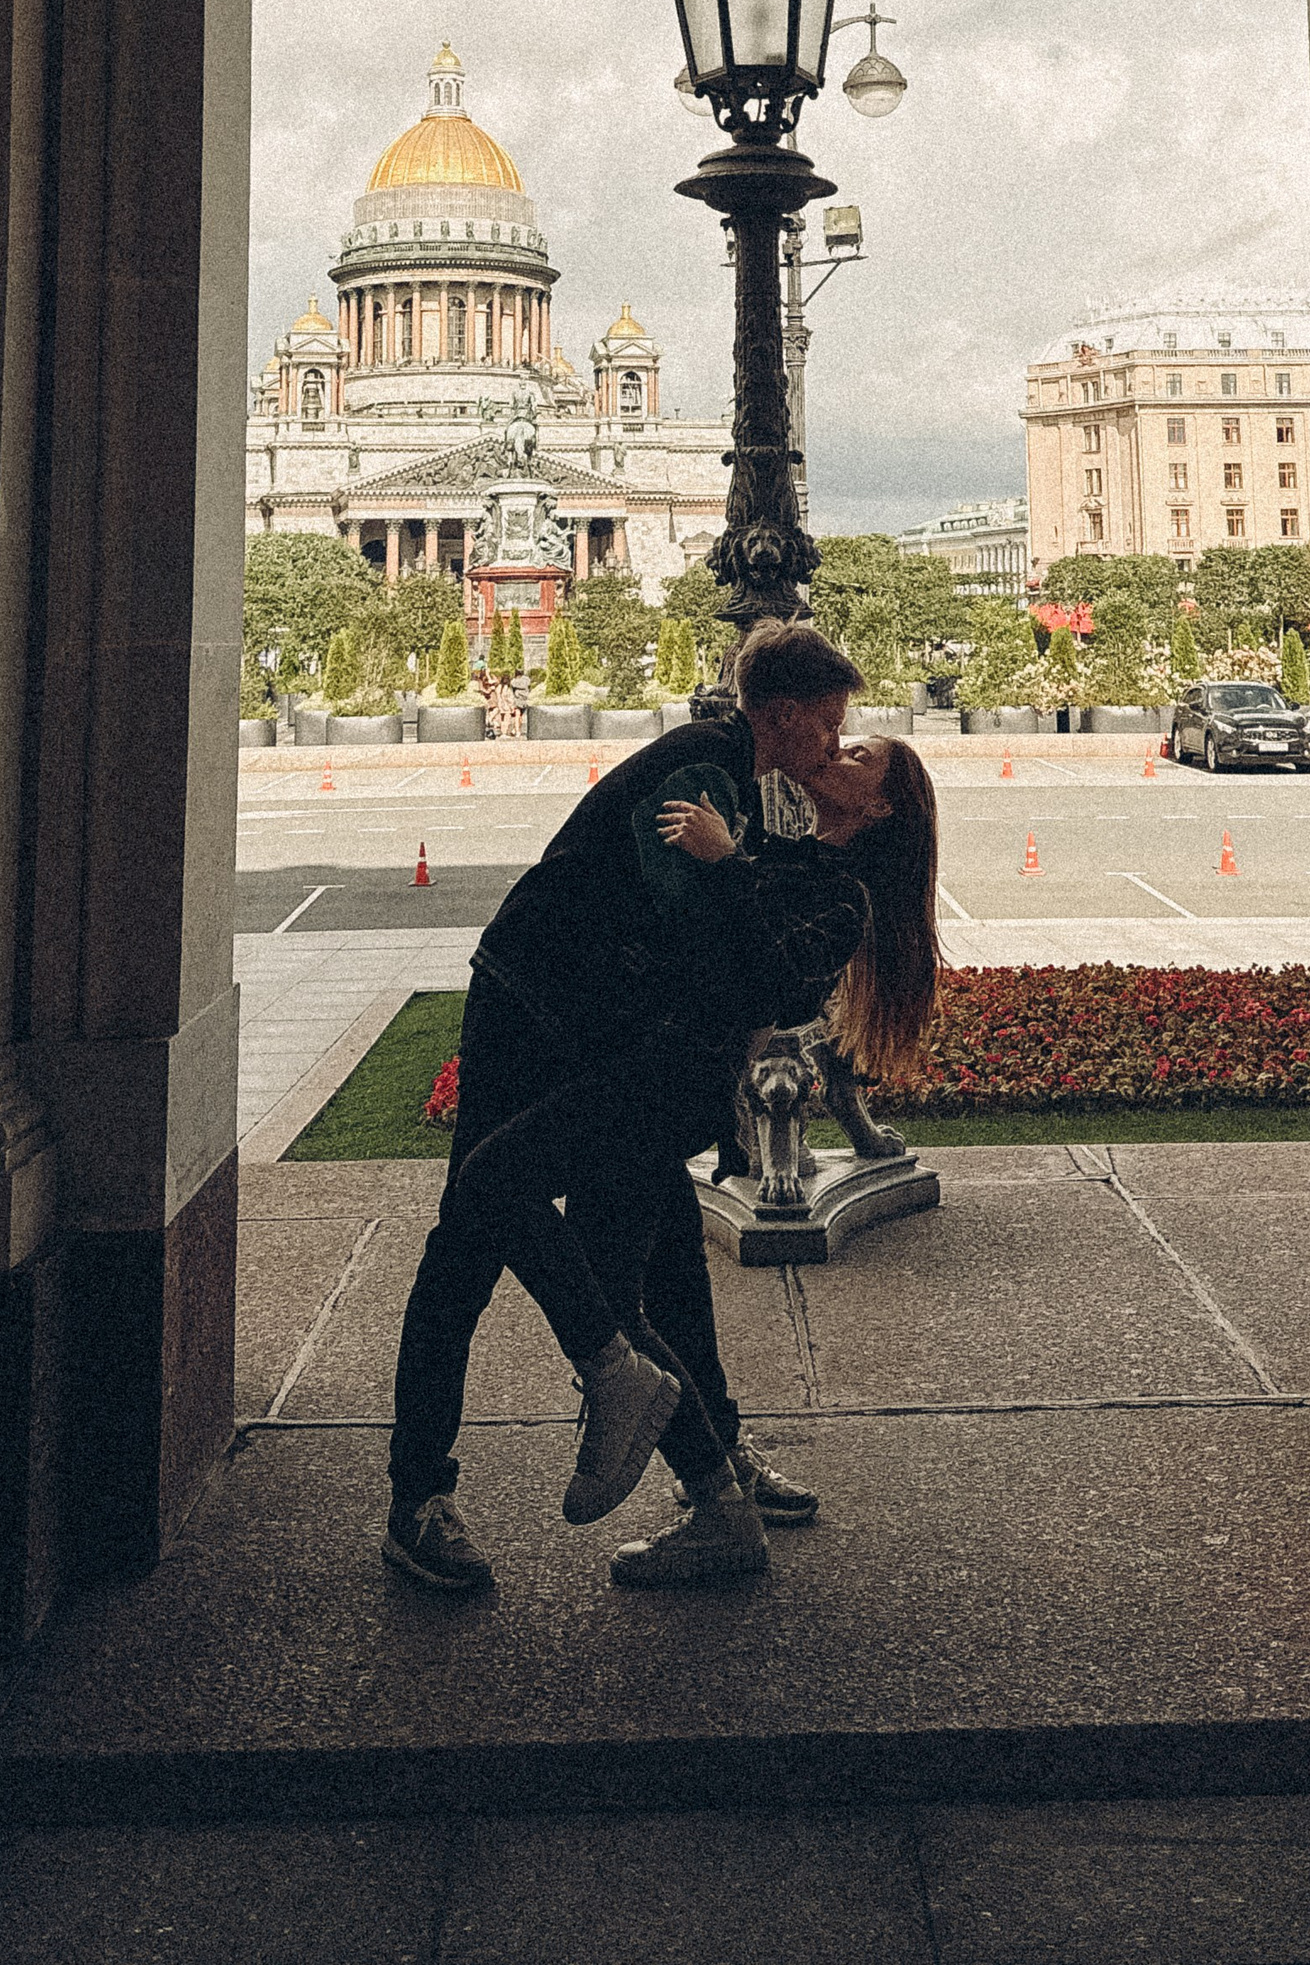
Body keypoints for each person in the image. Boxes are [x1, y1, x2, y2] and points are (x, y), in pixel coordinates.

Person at [379, 622, 939, 1594]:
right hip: (543, 1013)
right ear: (792, 711)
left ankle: (680, 1454)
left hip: (594, 1037)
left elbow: (745, 967)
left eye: (853, 745)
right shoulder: (718, 783)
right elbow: (693, 934)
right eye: (837, 726)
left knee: (574, 1242)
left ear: (880, 804)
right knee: (503, 1242)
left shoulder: (783, 844)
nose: (836, 742)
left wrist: (729, 874)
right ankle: (664, 1463)